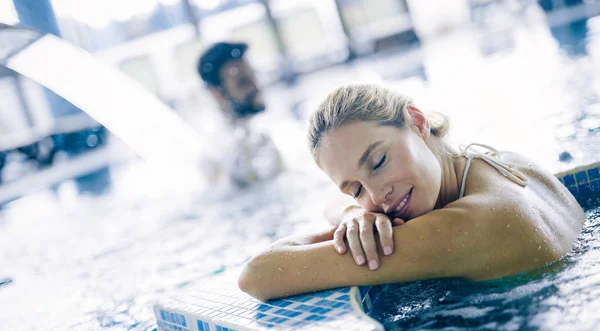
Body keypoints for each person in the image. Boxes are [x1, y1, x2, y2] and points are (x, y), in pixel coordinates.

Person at [238, 84, 585, 301]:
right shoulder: (498, 163)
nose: (378, 194)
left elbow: (259, 274)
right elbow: (333, 204)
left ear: (417, 123)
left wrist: (355, 212)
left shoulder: (466, 226)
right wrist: (353, 214)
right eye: (356, 189)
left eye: (378, 162)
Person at [197, 41, 282, 186]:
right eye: (243, 82)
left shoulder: (256, 133)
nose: (255, 87)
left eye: (253, 76)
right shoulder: (223, 155)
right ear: (216, 93)